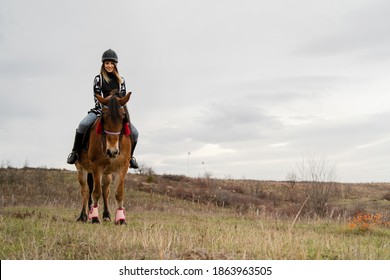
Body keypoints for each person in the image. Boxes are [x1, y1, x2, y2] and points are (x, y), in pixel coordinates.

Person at [67, 49, 139, 169]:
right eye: (107, 63)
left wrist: (117, 112)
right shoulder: (98, 79)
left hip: (116, 114)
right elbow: (97, 96)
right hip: (101, 110)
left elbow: (121, 99)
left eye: (112, 63)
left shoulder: (121, 80)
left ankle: (130, 157)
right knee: (83, 125)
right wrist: (104, 109)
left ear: (115, 65)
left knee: (135, 133)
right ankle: (75, 153)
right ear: (103, 64)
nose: (109, 65)